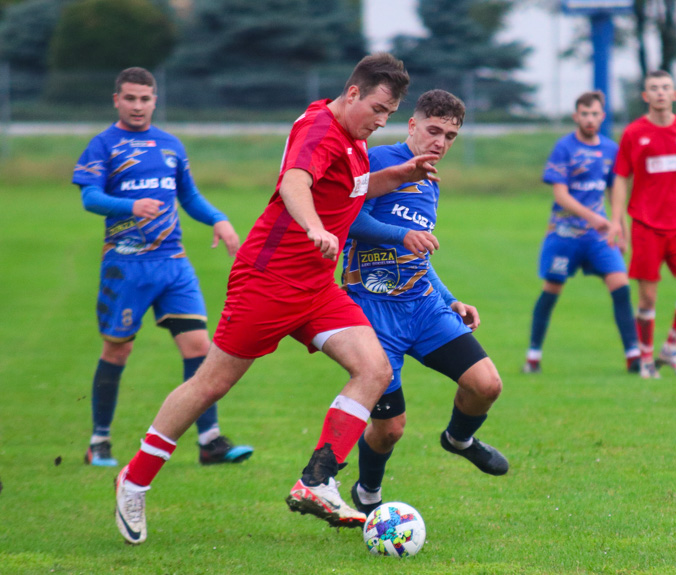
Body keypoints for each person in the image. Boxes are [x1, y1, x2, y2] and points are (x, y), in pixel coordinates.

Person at [112, 53, 440, 545]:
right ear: (353, 93)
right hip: (268, 282)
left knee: (374, 371)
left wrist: (403, 173)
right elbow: (295, 183)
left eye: (389, 114)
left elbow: (355, 188)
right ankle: (134, 479)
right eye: (377, 108)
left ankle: (317, 482)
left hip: (315, 289)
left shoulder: (352, 142)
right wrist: (313, 227)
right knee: (210, 385)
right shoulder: (318, 128)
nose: (381, 121)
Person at [73, 67, 253, 468]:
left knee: (200, 348)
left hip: (173, 264)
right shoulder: (104, 145)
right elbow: (89, 198)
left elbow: (188, 196)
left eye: (145, 98)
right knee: (118, 350)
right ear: (117, 100)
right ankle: (99, 441)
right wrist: (129, 206)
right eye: (130, 98)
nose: (138, 106)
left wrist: (219, 219)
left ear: (155, 100)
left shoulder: (170, 145)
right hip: (126, 265)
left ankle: (210, 441)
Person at [340, 89, 508, 515]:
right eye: (434, 130)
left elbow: (418, 253)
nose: (441, 142)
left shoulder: (430, 180)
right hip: (374, 315)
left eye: (450, 136)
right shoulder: (380, 161)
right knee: (390, 429)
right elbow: (346, 218)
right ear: (412, 125)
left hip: (425, 307)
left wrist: (451, 300)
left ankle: (458, 440)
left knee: (486, 385)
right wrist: (400, 235)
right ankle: (368, 495)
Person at [607, 70, 676, 379]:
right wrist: (616, 220)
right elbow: (621, 178)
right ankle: (645, 360)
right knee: (648, 299)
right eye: (653, 88)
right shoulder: (633, 133)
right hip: (646, 225)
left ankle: (671, 348)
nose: (660, 93)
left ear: (675, 94)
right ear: (645, 96)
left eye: (665, 87)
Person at [522, 91, 639, 375]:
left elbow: (616, 192)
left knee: (621, 286)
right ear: (576, 117)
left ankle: (634, 356)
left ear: (603, 115)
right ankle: (533, 356)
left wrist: (620, 229)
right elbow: (560, 195)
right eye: (584, 114)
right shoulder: (564, 148)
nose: (590, 119)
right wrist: (594, 218)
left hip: (599, 238)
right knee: (551, 291)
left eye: (595, 114)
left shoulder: (611, 149)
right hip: (565, 235)